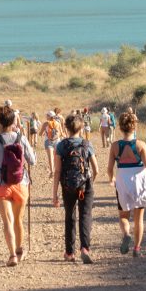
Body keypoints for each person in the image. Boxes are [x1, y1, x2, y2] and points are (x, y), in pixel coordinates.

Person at [0, 104, 37, 266]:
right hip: (21, 183)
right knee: (18, 220)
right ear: (14, 121)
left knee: (7, 222)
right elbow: (32, 161)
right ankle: (20, 250)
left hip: (0, 184)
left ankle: (12, 255)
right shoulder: (21, 138)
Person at [107, 112, 146, 258]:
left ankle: (126, 234)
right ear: (134, 127)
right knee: (138, 218)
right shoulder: (141, 144)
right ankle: (137, 248)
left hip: (122, 181)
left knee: (123, 215)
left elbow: (109, 168)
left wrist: (112, 178)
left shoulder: (115, 146)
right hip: (139, 183)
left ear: (120, 128)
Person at [52, 113, 99, 264]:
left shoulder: (61, 145)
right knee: (85, 215)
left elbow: (57, 171)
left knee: (69, 217)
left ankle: (69, 252)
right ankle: (85, 248)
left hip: (67, 185)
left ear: (66, 128)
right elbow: (96, 169)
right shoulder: (87, 144)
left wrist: (55, 194)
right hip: (85, 184)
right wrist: (90, 182)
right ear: (81, 128)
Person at [42, 110, 61, 178]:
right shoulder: (58, 123)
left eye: (47, 115)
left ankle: (52, 171)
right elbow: (60, 133)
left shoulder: (45, 124)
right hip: (57, 141)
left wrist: (44, 133)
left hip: (48, 141)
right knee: (56, 156)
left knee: (50, 157)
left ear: (49, 116)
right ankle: (57, 171)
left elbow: (40, 133)